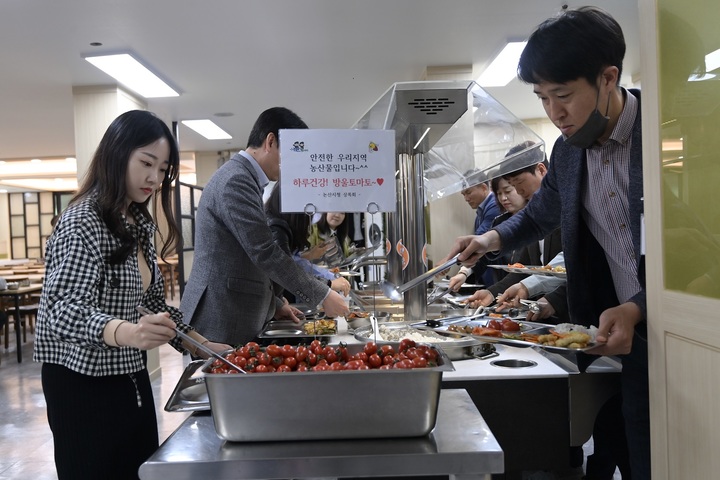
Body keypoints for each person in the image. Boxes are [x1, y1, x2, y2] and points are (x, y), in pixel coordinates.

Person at [446, 7, 649, 478]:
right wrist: (490, 237)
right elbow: (540, 215)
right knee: (638, 445)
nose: (554, 113)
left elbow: (696, 251)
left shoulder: (664, 134)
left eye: (563, 95)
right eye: (542, 97)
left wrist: (639, 305)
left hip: (676, 325)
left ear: (608, 77)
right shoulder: (566, 150)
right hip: (624, 333)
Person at [33, 110, 231, 480]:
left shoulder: (136, 221)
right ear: (116, 154)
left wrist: (201, 344)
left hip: (128, 373)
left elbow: (152, 304)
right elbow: (60, 311)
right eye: (146, 163)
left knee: (139, 469)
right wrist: (127, 332)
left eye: (163, 169)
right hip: (81, 381)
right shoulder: (82, 221)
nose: (154, 178)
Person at [180, 107, 349, 346]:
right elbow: (264, 252)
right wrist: (322, 294)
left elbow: (247, 253)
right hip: (221, 314)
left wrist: (277, 304)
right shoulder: (236, 180)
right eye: (292, 154)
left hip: (234, 309)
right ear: (271, 141)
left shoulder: (246, 178)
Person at [264, 183, 351, 297]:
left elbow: (295, 263)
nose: (308, 219)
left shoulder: (279, 227)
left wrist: (280, 304)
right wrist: (329, 284)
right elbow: (287, 271)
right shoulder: (276, 230)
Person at [457, 177, 500, 286]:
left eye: (468, 192)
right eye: (463, 195)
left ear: (483, 187)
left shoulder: (494, 206)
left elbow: (477, 243)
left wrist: (450, 261)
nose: (466, 198)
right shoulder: (481, 212)